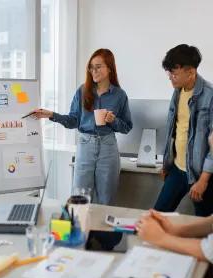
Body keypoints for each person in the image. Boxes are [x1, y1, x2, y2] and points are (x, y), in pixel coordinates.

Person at [32, 48, 132, 204]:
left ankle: (100, 229)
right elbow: (73, 121)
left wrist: (113, 120)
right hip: (85, 145)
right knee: (79, 197)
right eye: (91, 67)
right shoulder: (83, 91)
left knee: (107, 198)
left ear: (109, 68)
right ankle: (81, 228)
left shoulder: (120, 95)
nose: (94, 70)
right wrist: (51, 115)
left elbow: (126, 127)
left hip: (108, 147)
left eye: (98, 66)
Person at [154, 44, 213, 217]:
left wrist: (203, 180)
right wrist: (167, 163)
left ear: (191, 71)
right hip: (178, 170)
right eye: (169, 73)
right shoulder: (177, 92)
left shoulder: (210, 95)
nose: (170, 78)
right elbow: (174, 130)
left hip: (202, 176)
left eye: (174, 73)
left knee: (204, 227)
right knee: (157, 217)